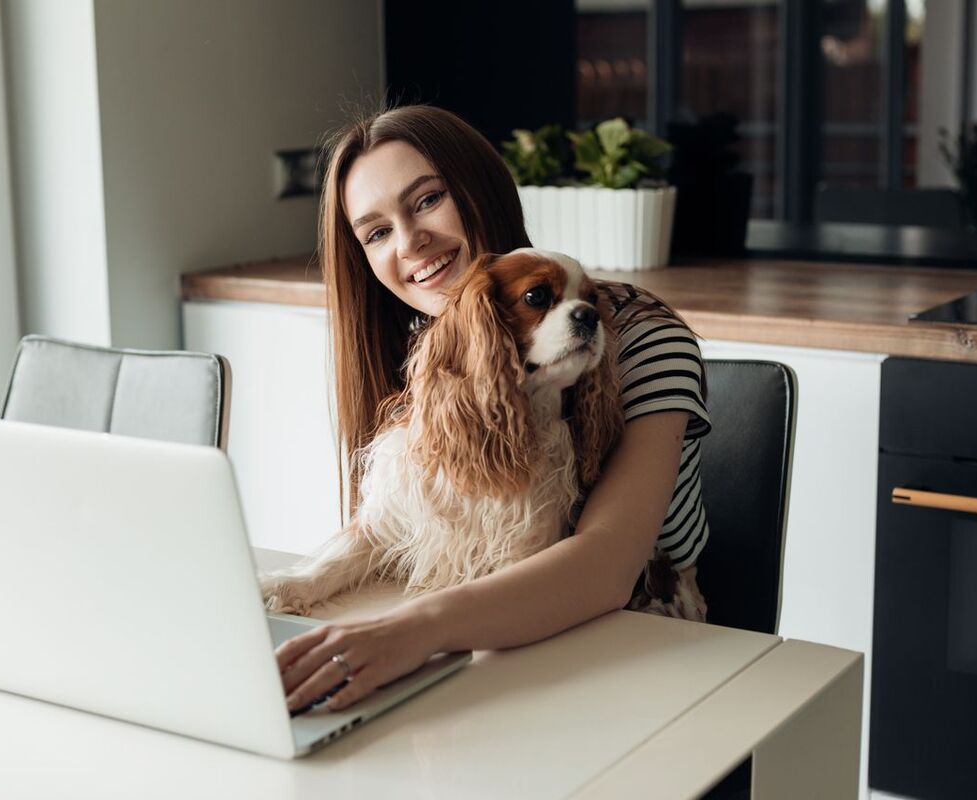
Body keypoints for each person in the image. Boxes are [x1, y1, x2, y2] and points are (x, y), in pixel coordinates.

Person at [275, 104, 711, 714]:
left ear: (482, 189)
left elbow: (605, 566)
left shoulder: (638, 336)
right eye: (375, 232)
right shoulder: (428, 338)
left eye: (427, 200)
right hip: (491, 646)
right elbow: (393, 527)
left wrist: (412, 630)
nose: (409, 242)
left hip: (644, 648)